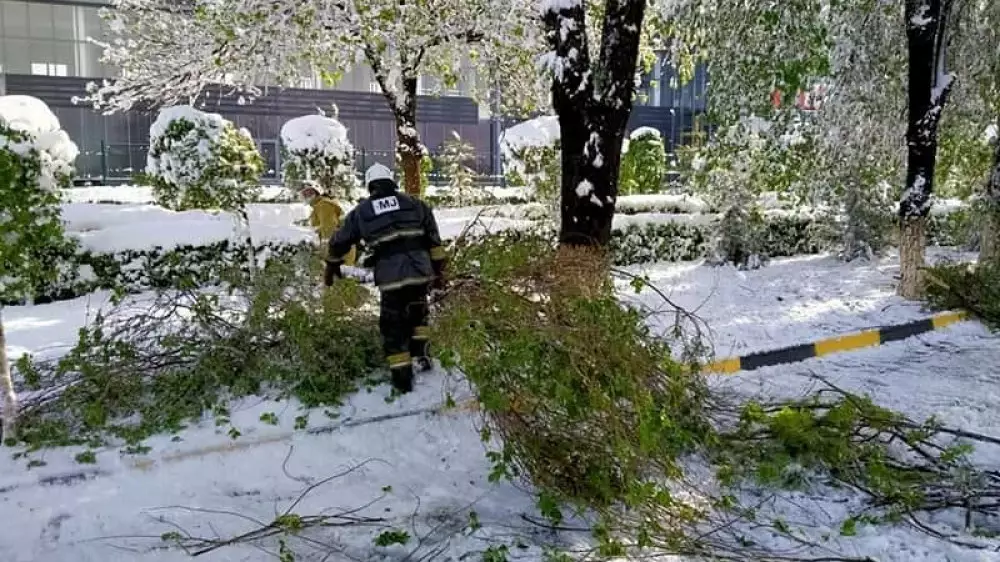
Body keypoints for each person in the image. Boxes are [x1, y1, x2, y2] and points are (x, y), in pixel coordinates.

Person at [324, 163, 446, 394]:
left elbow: (339, 241)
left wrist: (332, 265)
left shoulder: (362, 211)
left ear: (370, 185)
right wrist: (440, 275)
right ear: (392, 181)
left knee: (393, 325)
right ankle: (421, 357)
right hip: (420, 273)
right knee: (419, 315)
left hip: (391, 277)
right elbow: (434, 243)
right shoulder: (416, 204)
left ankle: (402, 380)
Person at [298, 181, 356, 266]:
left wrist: (324, 252)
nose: (306, 195)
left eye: (309, 192)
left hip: (339, 252)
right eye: (304, 193)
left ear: (316, 191)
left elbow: (329, 228)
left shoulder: (323, 205)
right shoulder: (318, 206)